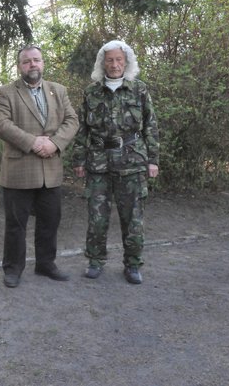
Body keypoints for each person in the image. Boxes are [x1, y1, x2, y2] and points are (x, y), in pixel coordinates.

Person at [72, 40, 160, 285]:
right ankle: (95, 261)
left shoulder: (139, 89)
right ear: (103, 63)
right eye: (110, 60)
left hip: (132, 161)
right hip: (98, 163)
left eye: (119, 60)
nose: (114, 64)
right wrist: (79, 159)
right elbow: (82, 129)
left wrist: (153, 160)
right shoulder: (91, 92)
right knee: (97, 217)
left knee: (133, 218)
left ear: (126, 62)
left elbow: (151, 126)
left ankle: (133, 264)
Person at [0, 44, 79, 288]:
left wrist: (54, 143)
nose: (32, 64)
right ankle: (13, 269)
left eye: (36, 60)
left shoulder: (58, 90)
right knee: (16, 225)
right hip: (18, 171)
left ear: (43, 63)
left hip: (51, 170)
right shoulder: (6, 92)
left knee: (50, 222)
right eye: (27, 61)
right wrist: (33, 142)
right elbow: (0, 124)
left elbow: (72, 120)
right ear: (19, 66)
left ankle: (45, 264)